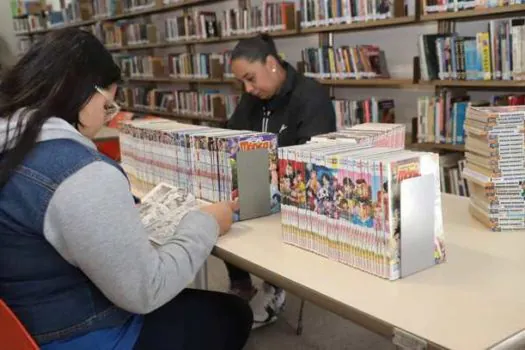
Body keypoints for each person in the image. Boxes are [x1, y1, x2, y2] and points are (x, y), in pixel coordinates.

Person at [0, 28, 253, 350]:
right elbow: (146, 290)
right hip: (84, 335)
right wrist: (205, 223)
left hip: (25, 327)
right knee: (230, 313)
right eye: (108, 105)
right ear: (84, 93)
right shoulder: (79, 173)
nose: (105, 119)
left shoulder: (13, 146)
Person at [226, 33, 337, 328]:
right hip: (258, 187)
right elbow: (232, 139)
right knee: (222, 203)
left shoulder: (311, 97)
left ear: (272, 64)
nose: (247, 89)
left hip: (296, 196)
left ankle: (274, 286)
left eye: (251, 79)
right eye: (242, 83)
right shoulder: (253, 98)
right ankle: (240, 283)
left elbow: (315, 166)